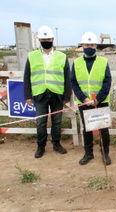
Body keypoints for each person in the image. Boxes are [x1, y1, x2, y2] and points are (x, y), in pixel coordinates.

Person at [24, 25, 71, 158]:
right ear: (39, 40)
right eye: (44, 39)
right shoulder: (32, 56)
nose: (46, 41)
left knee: (57, 121)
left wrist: (66, 95)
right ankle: (41, 146)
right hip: (40, 94)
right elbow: (27, 76)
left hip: (57, 94)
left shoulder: (62, 56)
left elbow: (68, 77)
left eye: (48, 38)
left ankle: (56, 143)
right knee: (41, 122)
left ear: (53, 39)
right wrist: (27, 95)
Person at [71, 32, 112, 165]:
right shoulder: (76, 63)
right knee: (87, 129)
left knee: (103, 129)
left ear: (96, 46)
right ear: (82, 45)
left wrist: (98, 99)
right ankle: (88, 153)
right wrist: (83, 99)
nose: (90, 47)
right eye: (87, 44)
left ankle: (105, 153)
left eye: (92, 44)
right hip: (84, 102)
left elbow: (107, 82)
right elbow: (74, 83)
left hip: (101, 102)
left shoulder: (103, 62)